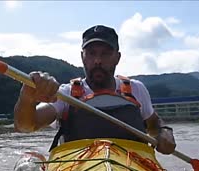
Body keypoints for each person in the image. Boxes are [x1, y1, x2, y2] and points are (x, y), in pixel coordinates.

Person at [14, 25, 176, 154]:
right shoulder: (66, 94)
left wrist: (165, 132)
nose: (97, 60)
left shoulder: (136, 89)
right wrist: (27, 98)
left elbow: (154, 126)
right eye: (91, 53)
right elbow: (26, 125)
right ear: (82, 57)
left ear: (117, 57)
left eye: (105, 54)